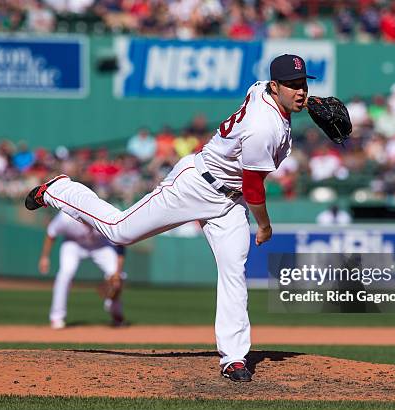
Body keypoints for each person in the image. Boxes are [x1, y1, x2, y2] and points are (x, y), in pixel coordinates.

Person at [25, 54, 315, 382]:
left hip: (228, 203)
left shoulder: (263, 89)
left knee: (234, 270)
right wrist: (264, 225)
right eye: (292, 85)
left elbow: (276, 100)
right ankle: (60, 190)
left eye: (303, 84)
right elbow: (253, 187)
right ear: (275, 87)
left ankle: (233, 357)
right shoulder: (264, 126)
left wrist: (307, 101)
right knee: (120, 232)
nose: (300, 91)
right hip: (195, 185)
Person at [38, 212, 127, 329]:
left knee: (116, 276)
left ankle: (116, 314)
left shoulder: (103, 214)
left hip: (100, 245)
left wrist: (117, 271)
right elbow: (51, 233)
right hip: (73, 244)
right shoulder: (66, 217)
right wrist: (45, 257)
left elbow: (120, 242)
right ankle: (57, 317)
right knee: (65, 274)